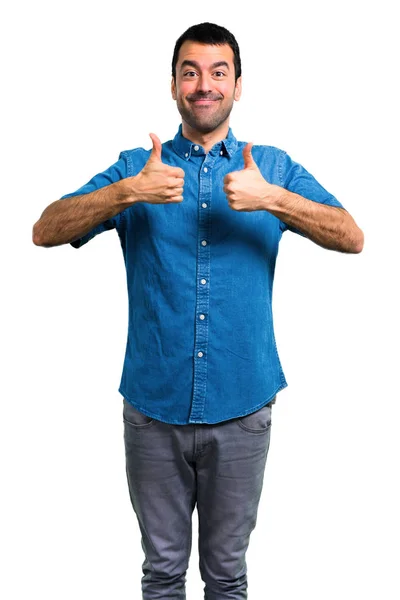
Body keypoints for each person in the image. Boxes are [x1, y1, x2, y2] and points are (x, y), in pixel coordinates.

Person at [32, 21, 364, 600]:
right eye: (190, 72)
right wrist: (125, 192)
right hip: (153, 409)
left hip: (242, 405)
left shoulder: (274, 167)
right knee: (161, 576)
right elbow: (45, 229)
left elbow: (352, 236)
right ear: (173, 86)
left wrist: (275, 201)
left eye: (218, 73)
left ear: (238, 86)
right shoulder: (138, 168)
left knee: (227, 577)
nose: (203, 85)